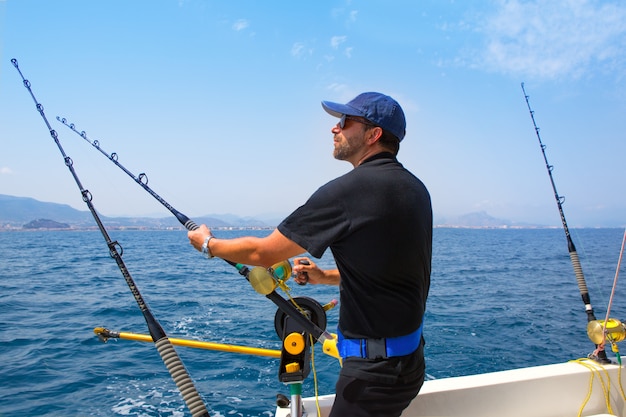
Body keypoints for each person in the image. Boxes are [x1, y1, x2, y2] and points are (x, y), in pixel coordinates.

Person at [188, 92, 432, 417]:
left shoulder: (348, 191)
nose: (335, 128)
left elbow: (262, 253)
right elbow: (388, 270)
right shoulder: (416, 191)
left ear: (373, 135)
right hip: (410, 363)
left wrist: (208, 243)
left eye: (345, 122)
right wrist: (323, 277)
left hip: (373, 378)